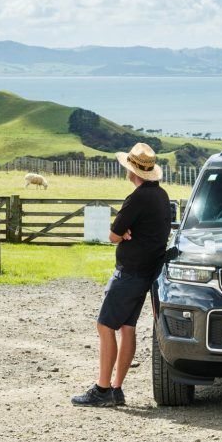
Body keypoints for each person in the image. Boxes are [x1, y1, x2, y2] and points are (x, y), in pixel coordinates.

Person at [71, 142, 171, 407]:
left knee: (104, 326)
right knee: (128, 328)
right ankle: (117, 388)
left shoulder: (137, 198)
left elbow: (114, 235)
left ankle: (102, 389)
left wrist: (123, 234)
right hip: (147, 273)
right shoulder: (161, 196)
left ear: (132, 170)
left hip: (129, 273)